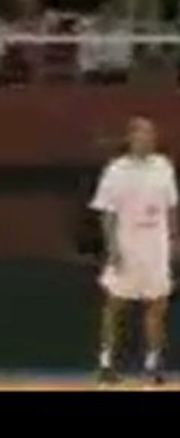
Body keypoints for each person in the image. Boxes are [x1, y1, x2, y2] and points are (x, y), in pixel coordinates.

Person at [92, 116, 179, 386]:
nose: (148, 138)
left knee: (157, 304)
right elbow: (107, 213)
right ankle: (106, 364)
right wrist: (112, 248)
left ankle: (152, 365)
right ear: (131, 138)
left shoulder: (163, 167)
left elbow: (172, 207)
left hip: (156, 246)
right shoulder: (116, 170)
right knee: (115, 305)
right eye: (142, 134)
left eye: (151, 134)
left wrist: (174, 239)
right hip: (126, 245)